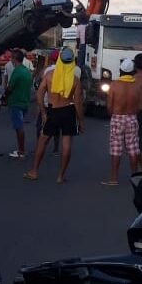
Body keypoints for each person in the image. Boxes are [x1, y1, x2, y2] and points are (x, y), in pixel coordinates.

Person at [24, 47, 84, 183]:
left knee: (43, 141)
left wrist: (43, 112)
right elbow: (78, 102)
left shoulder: (49, 75)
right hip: (68, 111)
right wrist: (81, 122)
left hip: (52, 110)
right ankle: (60, 176)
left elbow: (39, 93)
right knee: (67, 143)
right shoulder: (75, 80)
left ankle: (34, 171)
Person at [102, 58, 140, 185]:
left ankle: (113, 178)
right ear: (133, 71)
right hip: (132, 117)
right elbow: (139, 105)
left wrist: (112, 114)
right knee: (133, 148)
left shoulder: (114, 85)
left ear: (120, 70)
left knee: (116, 149)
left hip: (117, 117)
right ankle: (135, 178)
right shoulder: (137, 85)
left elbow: (109, 106)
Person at [6, 50, 33, 158]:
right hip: (24, 101)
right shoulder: (26, 71)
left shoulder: (16, 71)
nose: (10, 60)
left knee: (19, 127)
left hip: (16, 102)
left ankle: (21, 151)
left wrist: (5, 96)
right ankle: (20, 149)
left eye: (11, 58)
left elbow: (10, 87)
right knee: (19, 126)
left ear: (14, 59)